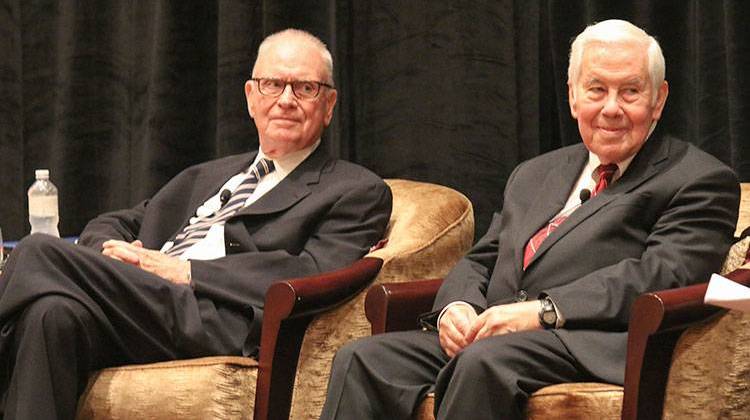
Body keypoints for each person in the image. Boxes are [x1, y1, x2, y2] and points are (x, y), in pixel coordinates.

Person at [320, 19, 740, 420]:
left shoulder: (698, 179)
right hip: (497, 333)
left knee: (483, 363)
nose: (611, 108)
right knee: (362, 359)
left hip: (589, 341)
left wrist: (544, 312)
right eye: (597, 89)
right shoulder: (535, 173)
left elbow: (662, 275)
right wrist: (457, 306)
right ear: (573, 95)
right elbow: (483, 257)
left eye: (630, 91)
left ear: (659, 99)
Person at [0, 29, 392, 419]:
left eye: (305, 88)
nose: (286, 100)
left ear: (329, 105)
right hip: (140, 302)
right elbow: (117, 222)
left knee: (37, 249)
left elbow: (312, 272)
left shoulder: (355, 189)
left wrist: (186, 270)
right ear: (251, 98)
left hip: (217, 318)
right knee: (51, 314)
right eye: (273, 84)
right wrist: (114, 258)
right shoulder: (209, 175)